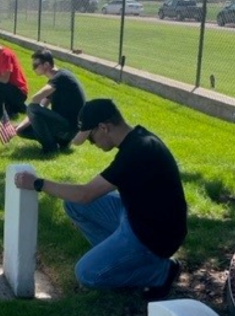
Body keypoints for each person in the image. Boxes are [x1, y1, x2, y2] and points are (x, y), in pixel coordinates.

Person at [14, 98, 187, 301]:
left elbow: (86, 194)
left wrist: (37, 183)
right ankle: (119, 259)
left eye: (91, 138)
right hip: (137, 215)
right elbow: (81, 197)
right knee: (73, 204)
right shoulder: (138, 138)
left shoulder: (135, 153)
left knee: (87, 274)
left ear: (103, 127)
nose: (92, 144)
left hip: (153, 235)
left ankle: (161, 271)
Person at [14, 49, 85, 154]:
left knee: (32, 108)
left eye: (35, 65)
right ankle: (60, 143)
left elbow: (35, 100)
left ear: (46, 64)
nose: (33, 68)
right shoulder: (55, 81)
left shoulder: (60, 77)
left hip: (70, 128)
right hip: (64, 127)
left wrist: (32, 111)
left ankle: (50, 148)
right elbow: (42, 105)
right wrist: (19, 127)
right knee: (22, 131)